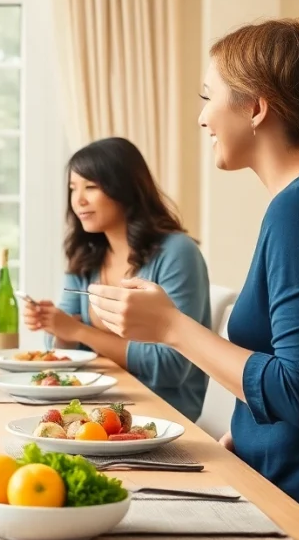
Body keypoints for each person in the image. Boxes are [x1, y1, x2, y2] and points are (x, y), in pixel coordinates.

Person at [86, 5, 299, 540]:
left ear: (257, 107)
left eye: (207, 97)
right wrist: (252, 441)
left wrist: (172, 327)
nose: (202, 119)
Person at [23, 137, 210, 421]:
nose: (78, 200)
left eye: (91, 187)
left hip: (161, 414)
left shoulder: (177, 253)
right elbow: (59, 350)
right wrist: (56, 324)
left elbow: (172, 366)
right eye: (73, 188)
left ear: (123, 189)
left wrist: (78, 331)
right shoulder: (86, 254)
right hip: (96, 403)